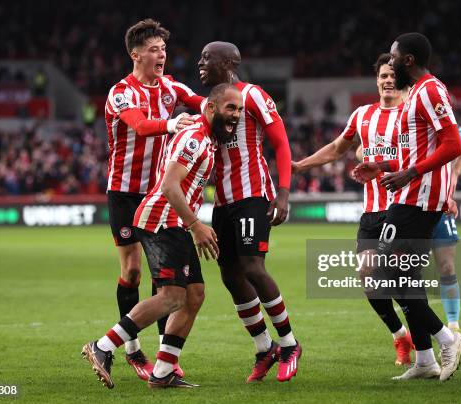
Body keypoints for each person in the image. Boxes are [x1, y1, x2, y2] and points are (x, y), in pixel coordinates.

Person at [82, 83, 243, 389]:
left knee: (194, 294)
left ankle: (163, 371)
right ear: (210, 107)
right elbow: (170, 186)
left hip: (174, 222)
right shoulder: (195, 138)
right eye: (230, 108)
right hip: (162, 220)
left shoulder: (205, 136)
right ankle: (102, 346)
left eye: (239, 110)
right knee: (172, 296)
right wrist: (196, 224)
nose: (235, 115)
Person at [353, 32, 461, 381]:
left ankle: (448, 338)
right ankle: (425, 361)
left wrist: (408, 174)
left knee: (385, 273)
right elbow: (413, 151)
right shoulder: (417, 93)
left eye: (393, 56)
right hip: (408, 193)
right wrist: (384, 167)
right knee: (401, 276)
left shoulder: (430, 90)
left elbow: (453, 145)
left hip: (419, 197)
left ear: (408, 61)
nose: (389, 61)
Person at [293, 53, 416, 366]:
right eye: (383, 76)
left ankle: (436, 342)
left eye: (393, 76)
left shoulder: (411, 115)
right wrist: (301, 165)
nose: (388, 81)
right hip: (372, 211)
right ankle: (401, 336)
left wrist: (382, 166)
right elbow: (336, 149)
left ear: (401, 80)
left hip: (403, 208)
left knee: (396, 278)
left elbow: (417, 160)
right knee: (366, 276)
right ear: (376, 81)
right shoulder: (363, 116)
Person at [103, 18, 203, 381]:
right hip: (124, 193)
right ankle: (132, 349)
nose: (161, 55)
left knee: (167, 279)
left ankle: (165, 356)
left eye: (164, 49)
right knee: (131, 270)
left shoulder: (171, 87)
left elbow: (204, 102)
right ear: (136, 54)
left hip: (157, 194)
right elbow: (142, 126)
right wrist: (173, 124)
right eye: (154, 49)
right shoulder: (121, 93)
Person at [198, 41, 301, 382]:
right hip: (223, 202)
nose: (200, 63)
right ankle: (264, 348)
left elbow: (281, 143)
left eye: (206, 58)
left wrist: (283, 194)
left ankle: (289, 345)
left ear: (229, 62)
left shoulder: (253, 95)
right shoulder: (210, 104)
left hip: (253, 196)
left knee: (253, 267)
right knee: (230, 275)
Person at [432, 127, 461, 332]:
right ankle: (414, 335)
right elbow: (363, 150)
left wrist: (456, 170)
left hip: (441, 208)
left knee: (447, 267)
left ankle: (454, 326)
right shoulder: (398, 121)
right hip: (410, 210)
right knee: (408, 272)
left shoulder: (444, 123)